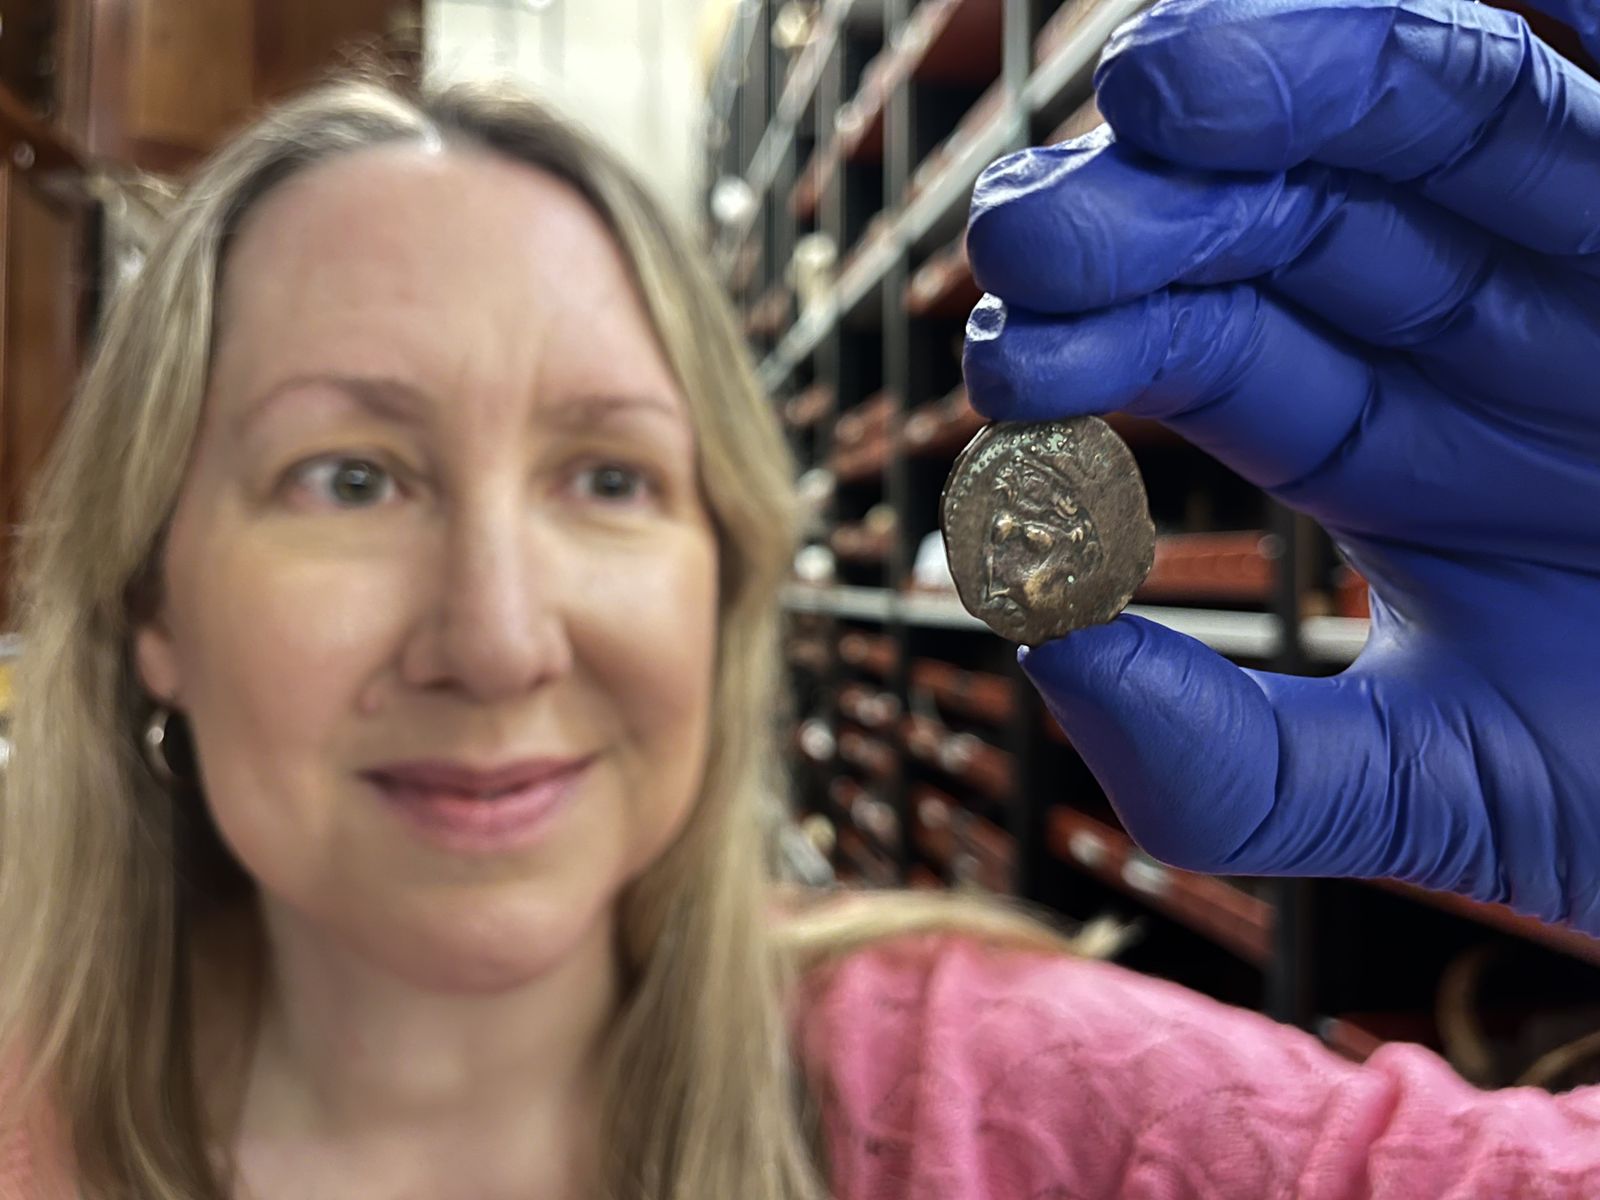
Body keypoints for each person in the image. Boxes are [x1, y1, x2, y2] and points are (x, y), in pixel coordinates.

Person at [0, 0, 1597, 1197]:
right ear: (150, 600)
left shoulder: (1011, 1106)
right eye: (348, 477)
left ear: (725, 581)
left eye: (608, 477)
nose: (497, 638)